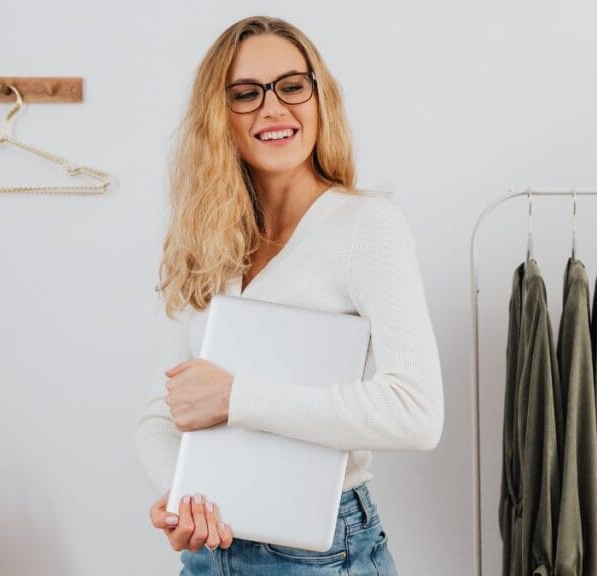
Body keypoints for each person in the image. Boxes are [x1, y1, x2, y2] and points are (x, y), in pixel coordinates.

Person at [131, 15, 444, 575]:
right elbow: (159, 418)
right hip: (210, 553)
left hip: (320, 555)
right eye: (246, 94)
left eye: (291, 86)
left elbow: (416, 412)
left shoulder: (367, 226)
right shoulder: (211, 239)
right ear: (219, 117)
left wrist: (237, 398)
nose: (273, 109)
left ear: (319, 97)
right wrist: (188, 496)